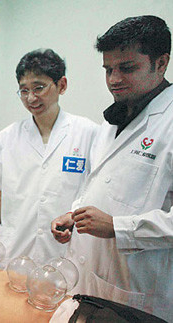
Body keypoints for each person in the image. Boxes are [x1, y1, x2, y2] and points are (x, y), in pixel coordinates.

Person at [51, 16, 172, 321]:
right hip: (90, 282)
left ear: (161, 63)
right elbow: (100, 184)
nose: (114, 79)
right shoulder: (112, 119)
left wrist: (118, 227)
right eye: (108, 69)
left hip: (138, 294)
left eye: (127, 68)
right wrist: (74, 213)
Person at [0, 49, 98, 266]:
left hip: (65, 251)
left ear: (62, 85)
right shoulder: (5, 138)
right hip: (14, 250)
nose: (31, 98)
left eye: (39, 88)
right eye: (24, 90)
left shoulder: (88, 133)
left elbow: (96, 192)